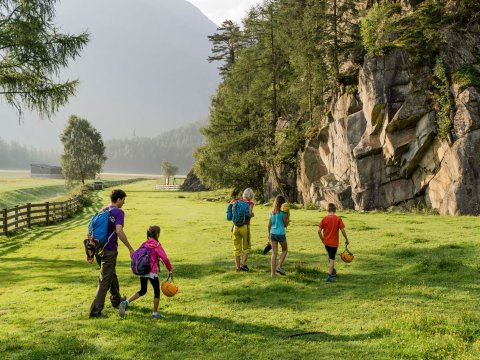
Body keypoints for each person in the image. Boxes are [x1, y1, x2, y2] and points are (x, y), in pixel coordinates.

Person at [89, 189, 135, 318]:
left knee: (111, 275)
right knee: (105, 280)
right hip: (109, 249)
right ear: (119, 199)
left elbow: (92, 230)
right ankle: (95, 311)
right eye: (123, 200)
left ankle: (116, 300)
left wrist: (91, 252)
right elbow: (119, 231)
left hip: (98, 247)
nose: (124, 202)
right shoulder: (118, 212)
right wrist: (130, 248)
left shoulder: (103, 209)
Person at [118, 225, 173, 319]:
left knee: (143, 290)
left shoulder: (145, 244)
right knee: (157, 292)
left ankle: (125, 302)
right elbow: (165, 258)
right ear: (157, 234)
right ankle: (155, 313)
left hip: (143, 270)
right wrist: (170, 269)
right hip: (151, 272)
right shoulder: (156, 245)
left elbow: (136, 255)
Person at [318, 203, 349, 283]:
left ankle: (333, 271)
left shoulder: (324, 219)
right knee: (332, 259)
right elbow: (342, 230)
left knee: (330, 256)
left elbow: (318, 231)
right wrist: (346, 239)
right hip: (334, 243)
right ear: (335, 210)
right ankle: (329, 276)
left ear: (327, 210)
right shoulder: (338, 219)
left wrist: (322, 239)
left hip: (326, 243)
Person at [231, 188, 254, 272]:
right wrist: (252, 215)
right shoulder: (250, 203)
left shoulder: (236, 202)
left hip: (235, 227)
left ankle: (237, 268)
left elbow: (233, 213)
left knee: (236, 248)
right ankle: (243, 265)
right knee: (246, 247)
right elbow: (249, 214)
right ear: (251, 196)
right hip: (245, 227)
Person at [268, 195, 290, 277]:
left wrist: (268, 234)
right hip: (280, 233)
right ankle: (279, 266)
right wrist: (288, 216)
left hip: (272, 233)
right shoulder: (283, 213)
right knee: (285, 250)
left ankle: (272, 274)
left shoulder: (271, 212)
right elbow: (285, 224)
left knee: (274, 253)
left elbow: (269, 225)